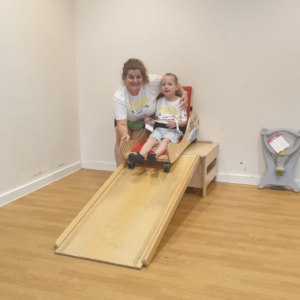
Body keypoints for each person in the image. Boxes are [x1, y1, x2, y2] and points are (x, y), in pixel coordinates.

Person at [114, 59, 188, 167]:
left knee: (134, 145)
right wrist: (124, 134)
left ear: (143, 77)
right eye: (131, 77)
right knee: (122, 143)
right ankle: (119, 173)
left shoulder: (152, 81)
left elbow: (172, 82)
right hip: (126, 121)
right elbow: (121, 124)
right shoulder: (119, 96)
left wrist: (184, 93)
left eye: (138, 76)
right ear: (124, 78)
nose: (135, 80)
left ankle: (136, 164)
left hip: (142, 120)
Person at [128, 73, 187, 166]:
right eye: (163, 85)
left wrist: (176, 123)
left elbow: (184, 122)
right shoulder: (159, 101)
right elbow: (156, 120)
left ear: (176, 87)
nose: (166, 87)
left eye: (169, 84)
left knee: (165, 141)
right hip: (159, 129)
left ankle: (154, 156)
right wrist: (149, 122)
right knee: (151, 139)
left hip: (174, 130)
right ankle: (140, 156)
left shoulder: (180, 102)